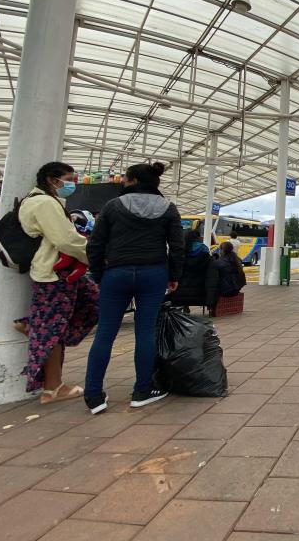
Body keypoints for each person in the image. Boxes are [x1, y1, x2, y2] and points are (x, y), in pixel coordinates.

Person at [84, 162, 184, 414]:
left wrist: (98, 275)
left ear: (134, 181)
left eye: (125, 180)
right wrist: (174, 276)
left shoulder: (112, 206)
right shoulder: (168, 208)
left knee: (105, 333)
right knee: (145, 331)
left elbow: (95, 245)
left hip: (116, 273)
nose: (123, 184)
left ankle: (94, 395)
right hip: (154, 273)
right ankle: (142, 390)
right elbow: (177, 246)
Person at [19, 162, 99, 404]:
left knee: (94, 302)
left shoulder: (47, 201)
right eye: (68, 179)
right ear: (53, 180)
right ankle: (52, 387)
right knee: (52, 328)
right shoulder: (44, 203)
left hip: (61, 271)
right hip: (54, 273)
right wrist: (96, 256)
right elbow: (65, 240)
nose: (72, 184)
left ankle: (33, 325)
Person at [167, 228, 216, 311]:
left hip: (180, 291)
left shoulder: (180, 251)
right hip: (200, 290)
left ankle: (185, 306)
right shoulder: (204, 251)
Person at [213, 241, 247, 310]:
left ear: (223, 251)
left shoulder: (220, 263)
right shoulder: (238, 260)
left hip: (225, 291)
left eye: (220, 250)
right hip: (236, 290)